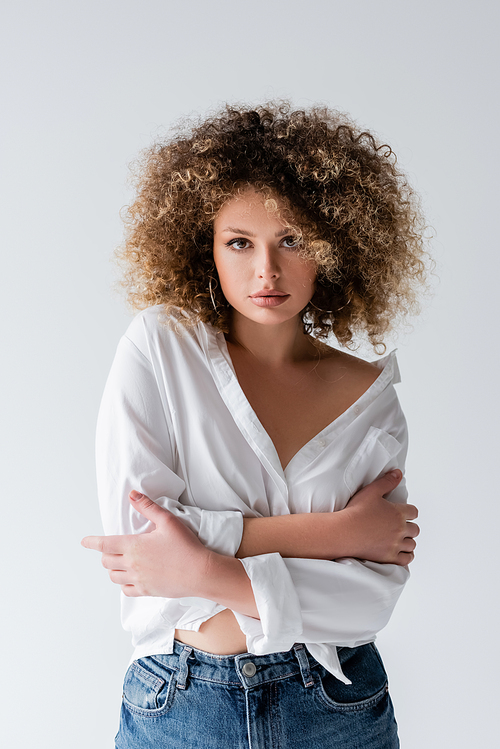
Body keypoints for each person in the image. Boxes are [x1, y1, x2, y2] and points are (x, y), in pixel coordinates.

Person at [82, 103, 426, 748]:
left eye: (292, 240)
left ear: (333, 246)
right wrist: (337, 534)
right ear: (202, 246)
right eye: (239, 242)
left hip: (336, 704)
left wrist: (203, 567)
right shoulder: (161, 347)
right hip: (182, 702)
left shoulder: (370, 396)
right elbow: (141, 548)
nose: (266, 270)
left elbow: (370, 600)